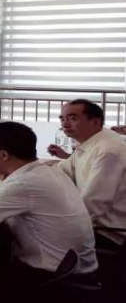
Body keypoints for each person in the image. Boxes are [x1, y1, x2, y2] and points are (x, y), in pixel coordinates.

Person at [0, 121, 97, 288]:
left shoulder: (24, 183)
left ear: (3, 155)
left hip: (50, 278)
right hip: (75, 267)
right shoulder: (48, 171)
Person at [46, 99, 126, 248]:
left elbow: (93, 204)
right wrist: (28, 170)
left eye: (72, 118)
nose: (65, 124)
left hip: (108, 233)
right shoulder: (89, 144)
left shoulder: (108, 150)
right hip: (92, 225)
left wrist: (58, 226)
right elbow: (63, 170)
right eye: (62, 119)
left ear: (95, 122)